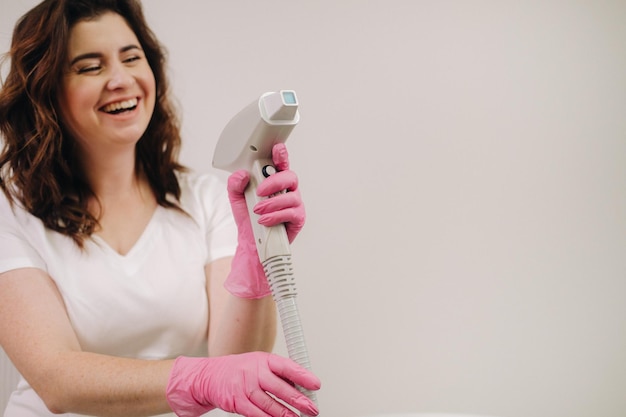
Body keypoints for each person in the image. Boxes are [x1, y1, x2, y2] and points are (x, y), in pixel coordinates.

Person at [0, 0, 320, 416]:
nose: (121, 79)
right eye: (90, 67)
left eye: (132, 58)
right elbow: (56, 380)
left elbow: (237, 363)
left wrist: (257, 260)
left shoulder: (204, 200)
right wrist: (196, 379)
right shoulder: (11, 210)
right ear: (48, 92)